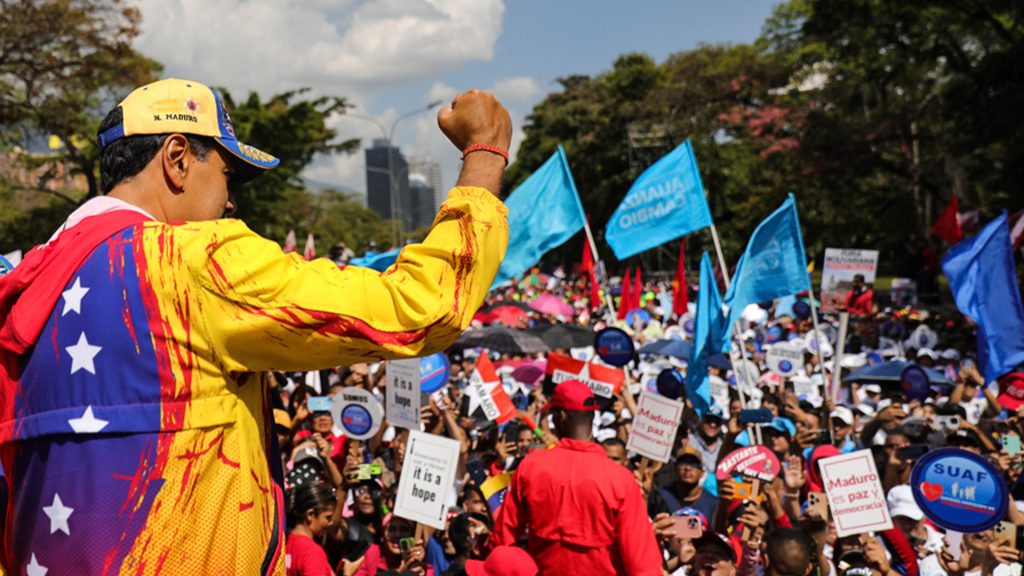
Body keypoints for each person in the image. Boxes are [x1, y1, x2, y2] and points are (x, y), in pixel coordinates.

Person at [0, 79, 512, 574]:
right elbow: (419, 307)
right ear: (177, 159)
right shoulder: (193, 263)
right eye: (226, 174)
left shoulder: (28, 284)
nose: (230, 203)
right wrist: (485, 154)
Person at [490, 379, 661, 575]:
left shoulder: (530, 467)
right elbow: (642, 563)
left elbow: (502, 540)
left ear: (560, 416)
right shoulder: (621, 479)